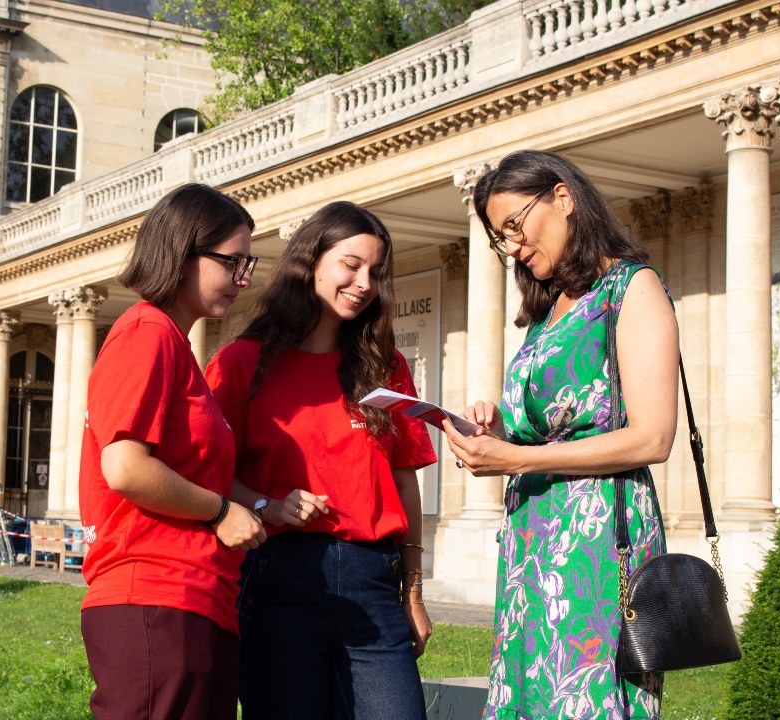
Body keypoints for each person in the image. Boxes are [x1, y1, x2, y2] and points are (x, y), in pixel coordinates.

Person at [441, 150, 679, 720]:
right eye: (501, 238)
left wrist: (515, 459)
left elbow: (653, 437)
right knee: (531, 694)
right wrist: (500, 431)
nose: (512, 247)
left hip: (597, 539)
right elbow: (552, 428)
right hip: (532, 539)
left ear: (563, 198)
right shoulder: (549, 310)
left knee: (584, 696)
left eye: (514, 225)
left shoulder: (632, 288)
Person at [205, 201, 438, 720]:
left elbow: (404, 482)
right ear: (310, 261)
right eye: (351, 265)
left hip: (375, 581)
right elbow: (209, 476)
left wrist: (414, 592)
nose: (365, 283)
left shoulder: (386, 367)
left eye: (376, 271)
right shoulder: (241, 363)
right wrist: (266, 504)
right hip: (278, 578)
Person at [78, 183, 266, 720]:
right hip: (154, 590)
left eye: (248, 263)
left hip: (194, 595)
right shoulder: (146, 333)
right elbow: (125, 468)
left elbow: (191, 470)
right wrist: (221, 511)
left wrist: (261, 507)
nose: (244, 278)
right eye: (232, 262)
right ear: (183, 254)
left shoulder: (174, 346)